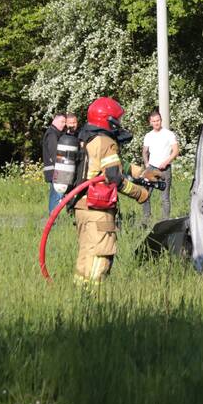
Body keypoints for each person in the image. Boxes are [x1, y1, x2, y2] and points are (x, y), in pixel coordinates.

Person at [73, 97, 157, 286]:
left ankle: (79, 294)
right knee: (101, 254)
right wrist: (140, 193)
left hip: (81, 206)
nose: (119, 124)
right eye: (117, 120)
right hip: (98, 211)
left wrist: (143, 172)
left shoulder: (87, 137)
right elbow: (114, 178)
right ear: (108, 120)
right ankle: (93, 299)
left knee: (86, 253)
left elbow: (115, 164)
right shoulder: (106, 141)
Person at [142, 110, 179, 225]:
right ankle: (146, 219)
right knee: (145, 195)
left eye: (157, 120)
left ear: (161, 120)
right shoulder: (148, 135)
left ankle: (164, 223)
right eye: (153, 121)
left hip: (165, 170)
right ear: (150, 122)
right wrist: (147, 164)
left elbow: (176, 151)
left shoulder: (169, 134)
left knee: (165, 198)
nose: (156, 123)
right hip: (151, 169)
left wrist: (167, 161)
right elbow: (144, 151)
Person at [42, 113, 66, 214]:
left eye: (65, 122)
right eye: (62, 121)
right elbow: (55, 154)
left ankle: (54, 220)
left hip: (55, 171)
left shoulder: (54, 133)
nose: (64, 124)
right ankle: (54, 221)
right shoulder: (52, 134)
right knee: (57, 196)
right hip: (56, 171)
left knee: (56, 195)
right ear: (55, 120)